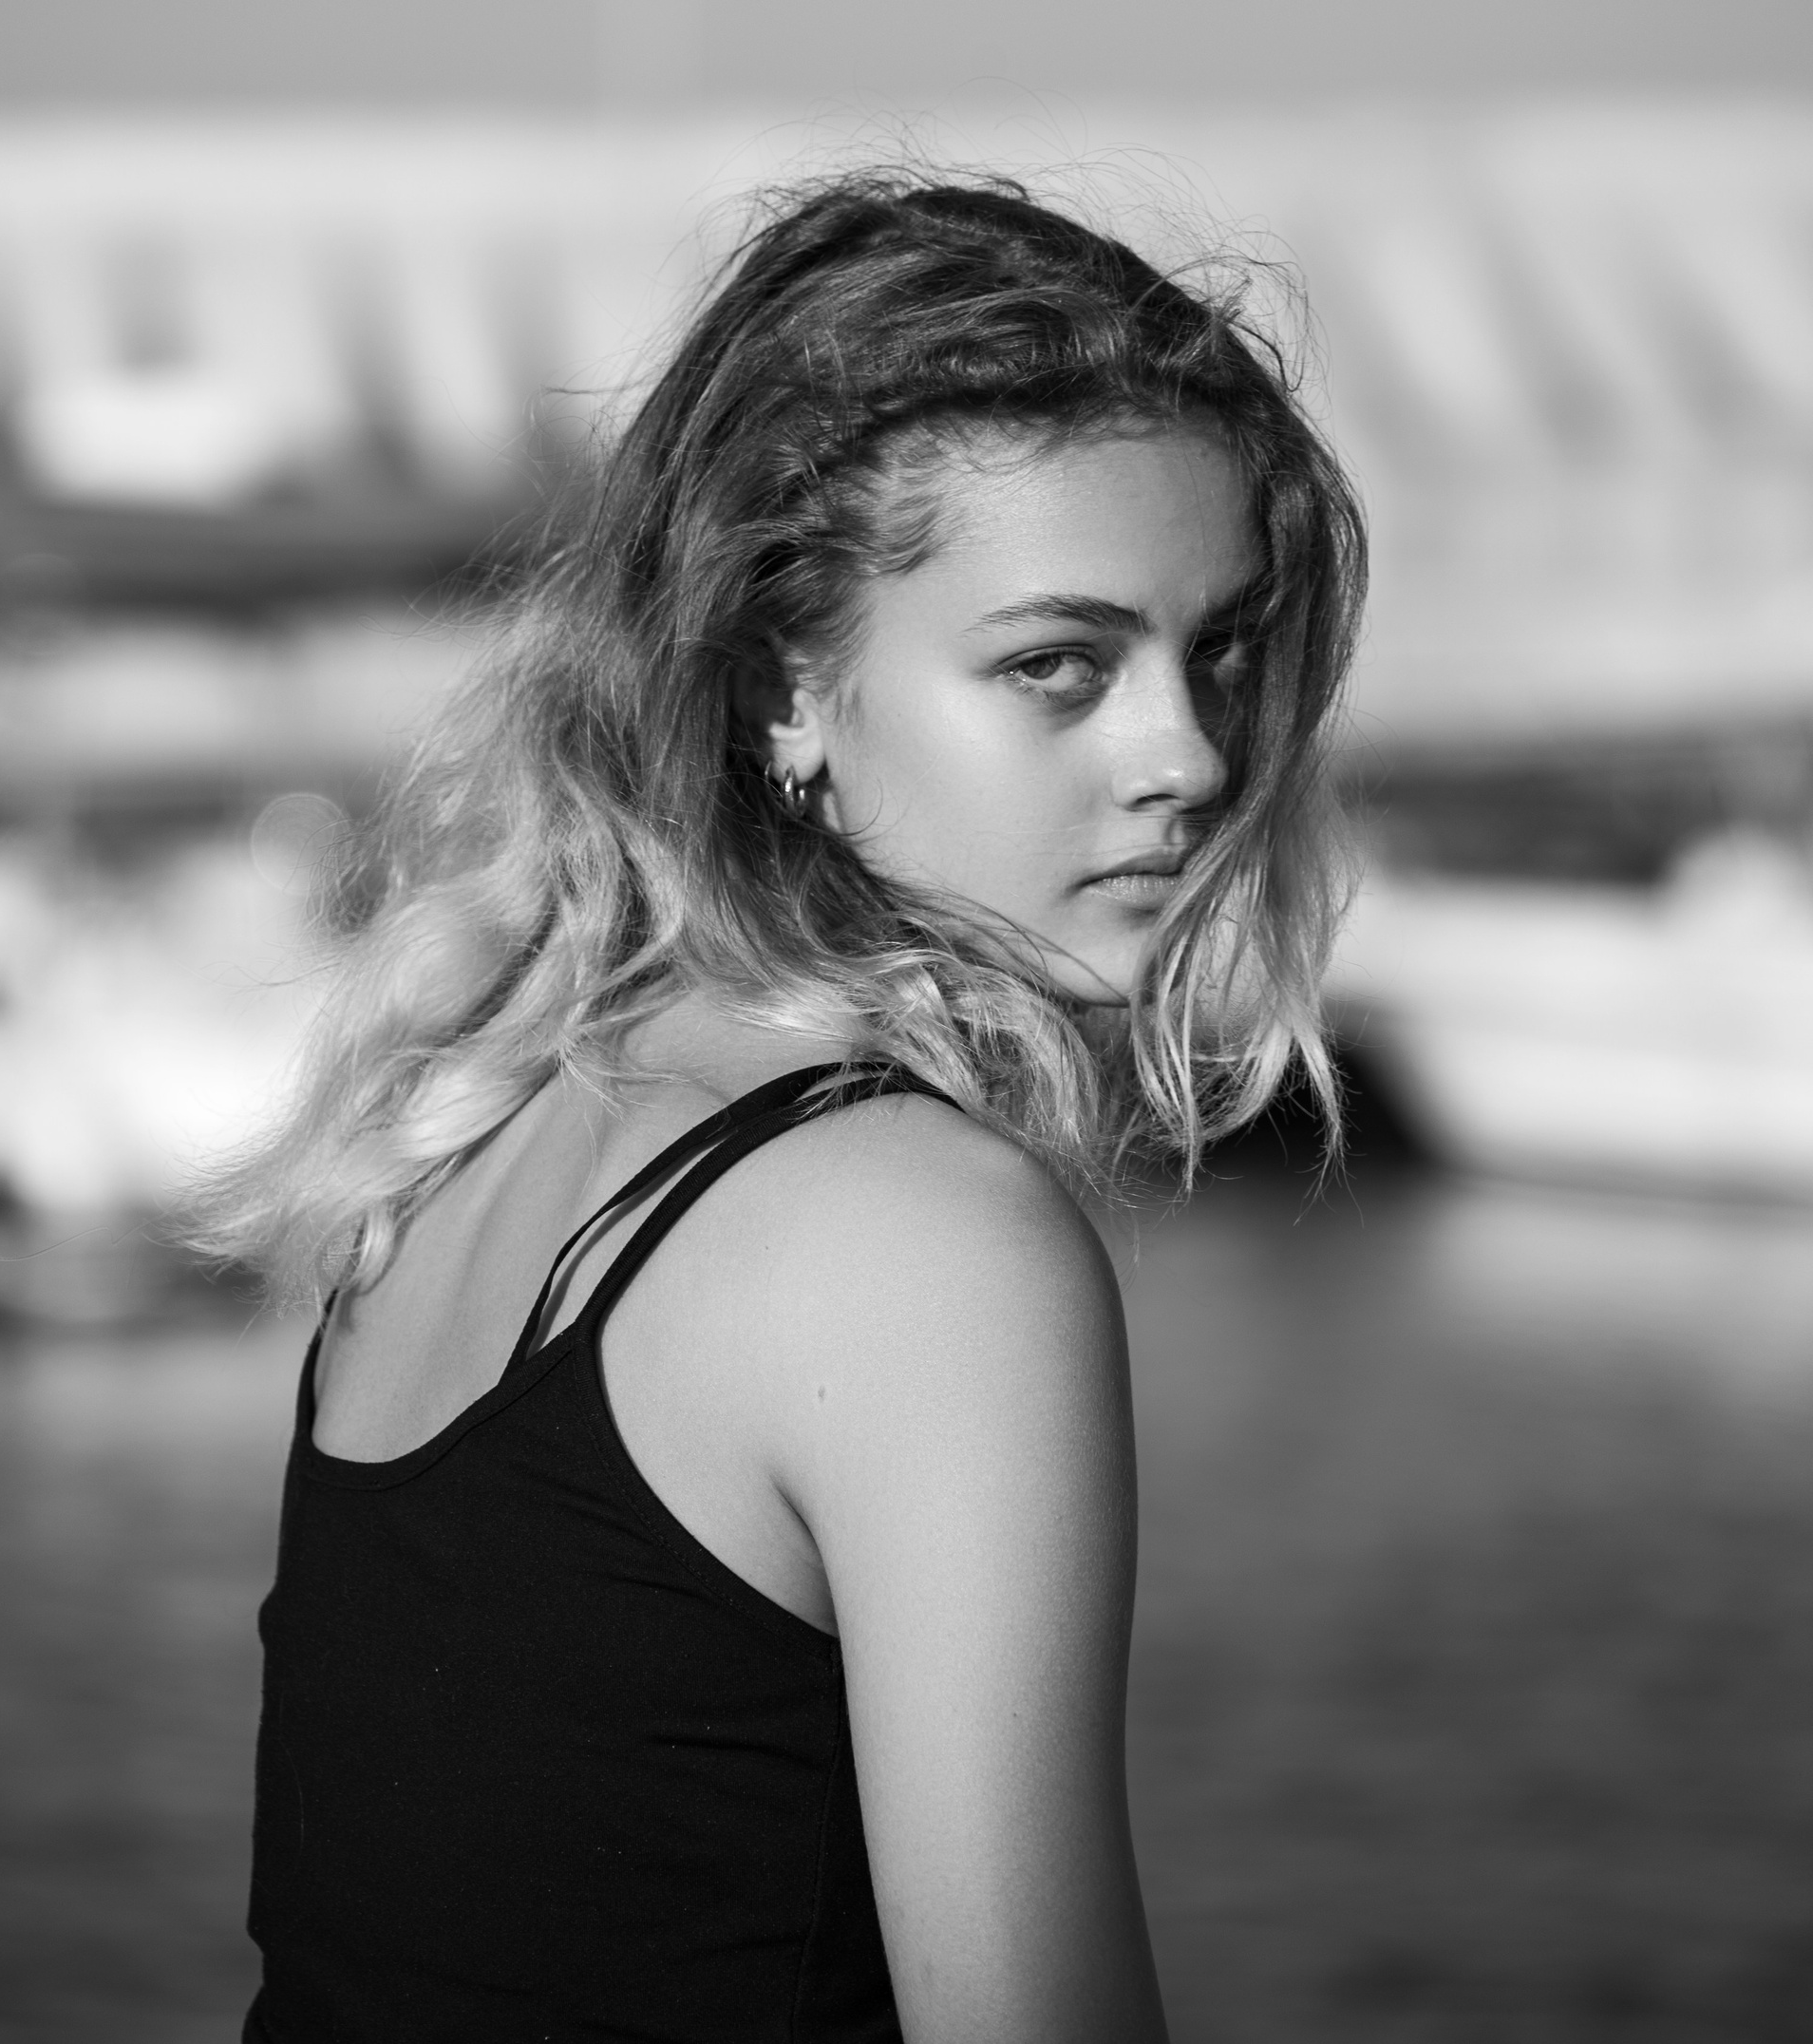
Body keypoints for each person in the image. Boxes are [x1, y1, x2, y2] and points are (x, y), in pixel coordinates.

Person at [205, 170, 1365, 2043]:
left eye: (1219, 649)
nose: (1191, 754)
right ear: (780, 690)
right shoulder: (916, 1235)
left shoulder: (469, 1125)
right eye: (1058, 668)